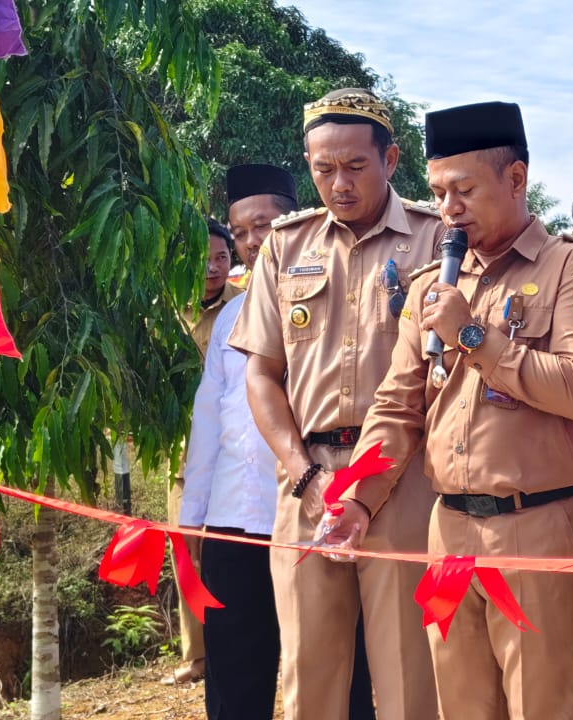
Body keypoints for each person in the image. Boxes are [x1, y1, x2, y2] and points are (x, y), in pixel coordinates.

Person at [322, 100, 573, 720]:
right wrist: (353, 498)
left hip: (537, 528)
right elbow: (397, 406)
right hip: (448, 533)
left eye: (463, 191)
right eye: (437, 192)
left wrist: (476, 337)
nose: (448, 210)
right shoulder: (433, 284)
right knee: (458, 705)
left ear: (515, 180)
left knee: (544, 705)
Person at [229, 88, 443, 720]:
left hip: (406, 485)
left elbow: (443, 377)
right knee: (308, 678)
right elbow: (262, 375)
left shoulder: (436, 241)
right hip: (309, 486)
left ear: (391, 159)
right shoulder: (286, 246)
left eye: (355, 166)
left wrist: (368, 480)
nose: (339, 184)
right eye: (323, 170)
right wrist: (305, 474)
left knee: (412, 679)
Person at [181, 214, 283, 719]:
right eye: (240, 232)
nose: (251, 242)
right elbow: (207, 418)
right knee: (232, 678)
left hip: (301, 518)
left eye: (264, 224)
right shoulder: (229, 317)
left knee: (330, 673)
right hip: (228, 524)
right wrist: (190, 518)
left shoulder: (327, 304)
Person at [165, 214, 243, 685]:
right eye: (204, 258)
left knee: (239, 556)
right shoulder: (166, 312)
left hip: (236, 454)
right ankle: (196, 655)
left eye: (222, 257)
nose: (213, 268)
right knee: (186, 555)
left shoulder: (247, 305)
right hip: (182, 457)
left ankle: (251, 643)